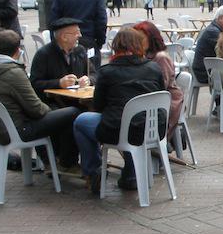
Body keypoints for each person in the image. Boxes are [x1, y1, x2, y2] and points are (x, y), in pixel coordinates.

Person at [72, 28, 166, 193]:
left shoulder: (107, 72)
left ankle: (93, 171)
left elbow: (99, 106)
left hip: (118, 131)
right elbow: (160, 95)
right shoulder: (154, 68)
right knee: (131, 123)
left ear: (116, 47)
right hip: (154, 130)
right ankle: (131, 174)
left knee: (81, 122)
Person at [0, 30, 81, 169]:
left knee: (54, 114)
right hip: (14, 131)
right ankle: (65, 163)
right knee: (72, 113)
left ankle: (51, 161)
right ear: (18, 51)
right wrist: (51, 110)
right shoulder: (13, 72)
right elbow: (36, 110)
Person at [132, 21, 183, 144]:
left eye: (140, 39)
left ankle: (152, 143)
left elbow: (161, 86)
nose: (136, 42)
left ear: (151, 39)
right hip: (151, 98)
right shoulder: (141, 55)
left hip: (166, 101)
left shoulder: (160, 57)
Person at [50, 0, 107, 68]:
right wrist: (99, 42)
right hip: (89, 40)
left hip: (66, 42)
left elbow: (54, 21)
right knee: (91, 72)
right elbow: (101, 21)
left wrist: (55, 43)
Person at [29, 18, 94, 103]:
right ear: (64, 37)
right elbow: (35, 83)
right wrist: (59, 83)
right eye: (76, 33)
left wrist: (88, 80)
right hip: (55, 102)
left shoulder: (80, 51)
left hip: (80, 100)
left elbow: (94, 74)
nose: (80, 35)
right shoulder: (44, 54)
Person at [191, 5, 223, 87]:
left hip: (209, 69)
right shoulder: (213, 32)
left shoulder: (216, 29)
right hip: (205, 72)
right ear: (220, 18)